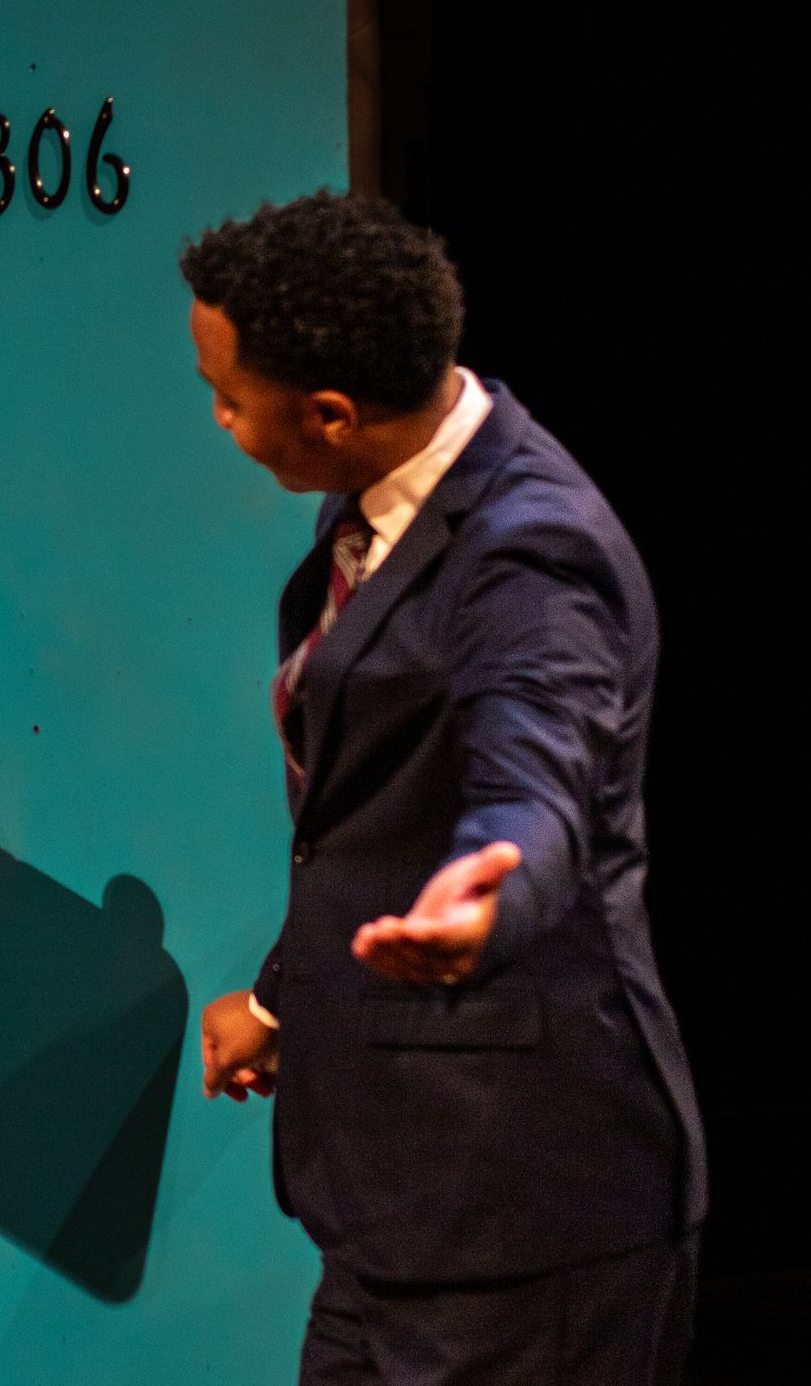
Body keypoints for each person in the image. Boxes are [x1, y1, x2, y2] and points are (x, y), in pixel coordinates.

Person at [184, 193, 704, 1384]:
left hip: (526, 1206)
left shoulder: (532, 549)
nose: (218, 419)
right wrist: (281, 1002)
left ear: (330, 412)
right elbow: (379, 812)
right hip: (396, 1204)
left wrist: (489, 892)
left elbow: (541, 776)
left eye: (228, 397)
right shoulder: (382, 491)